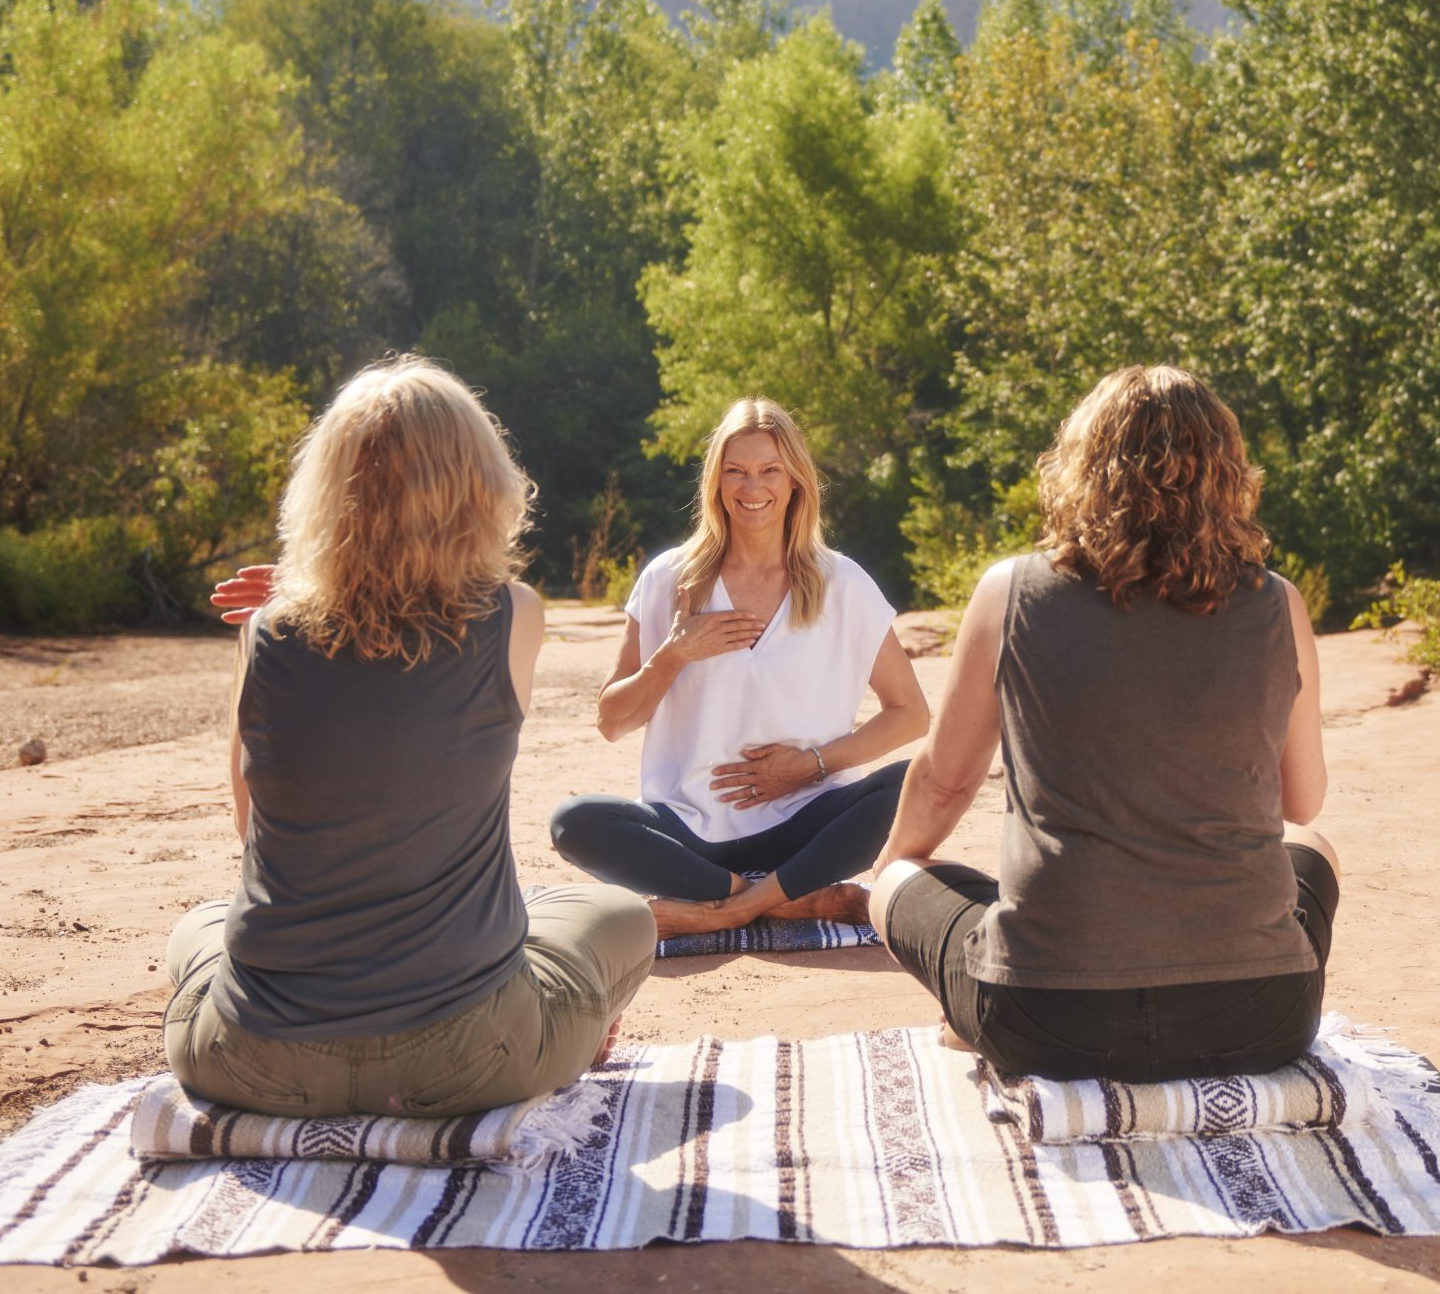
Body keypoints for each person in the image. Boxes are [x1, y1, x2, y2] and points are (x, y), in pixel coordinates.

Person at [170, 358, 654, 1119]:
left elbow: (250, 827)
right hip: (469, 1061)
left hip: (252, 1062)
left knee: (198, 927)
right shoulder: (514, 616)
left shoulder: (265, 632)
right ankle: (568, 1033)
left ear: (326, 492)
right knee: (624, 917)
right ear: (482, 486)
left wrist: (294, 597)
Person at [869, 365, 1338, 1082]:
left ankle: (969, 1012)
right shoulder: (1278, 602)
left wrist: (885, 883)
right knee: (1311, 846)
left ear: (1083, 466)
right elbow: (1301, 803)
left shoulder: (1010, 591)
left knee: (903, 877)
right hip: (1258, 1020)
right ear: (1226, 474)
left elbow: (943, 784)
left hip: (1045, 1022)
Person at [549, 397, 931, 939]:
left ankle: (728, 908)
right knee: (574, 822)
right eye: (736, 471)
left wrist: (811, 765)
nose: (753, 488)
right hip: (688, 829)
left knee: (920, 779)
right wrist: (673, 655)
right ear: (716, 481)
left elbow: (911, 714)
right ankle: (783, 901)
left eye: (769, 470)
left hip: (807, 822)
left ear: (795, 480)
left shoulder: (843, 584)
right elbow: (612, 722)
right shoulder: (668, 579)